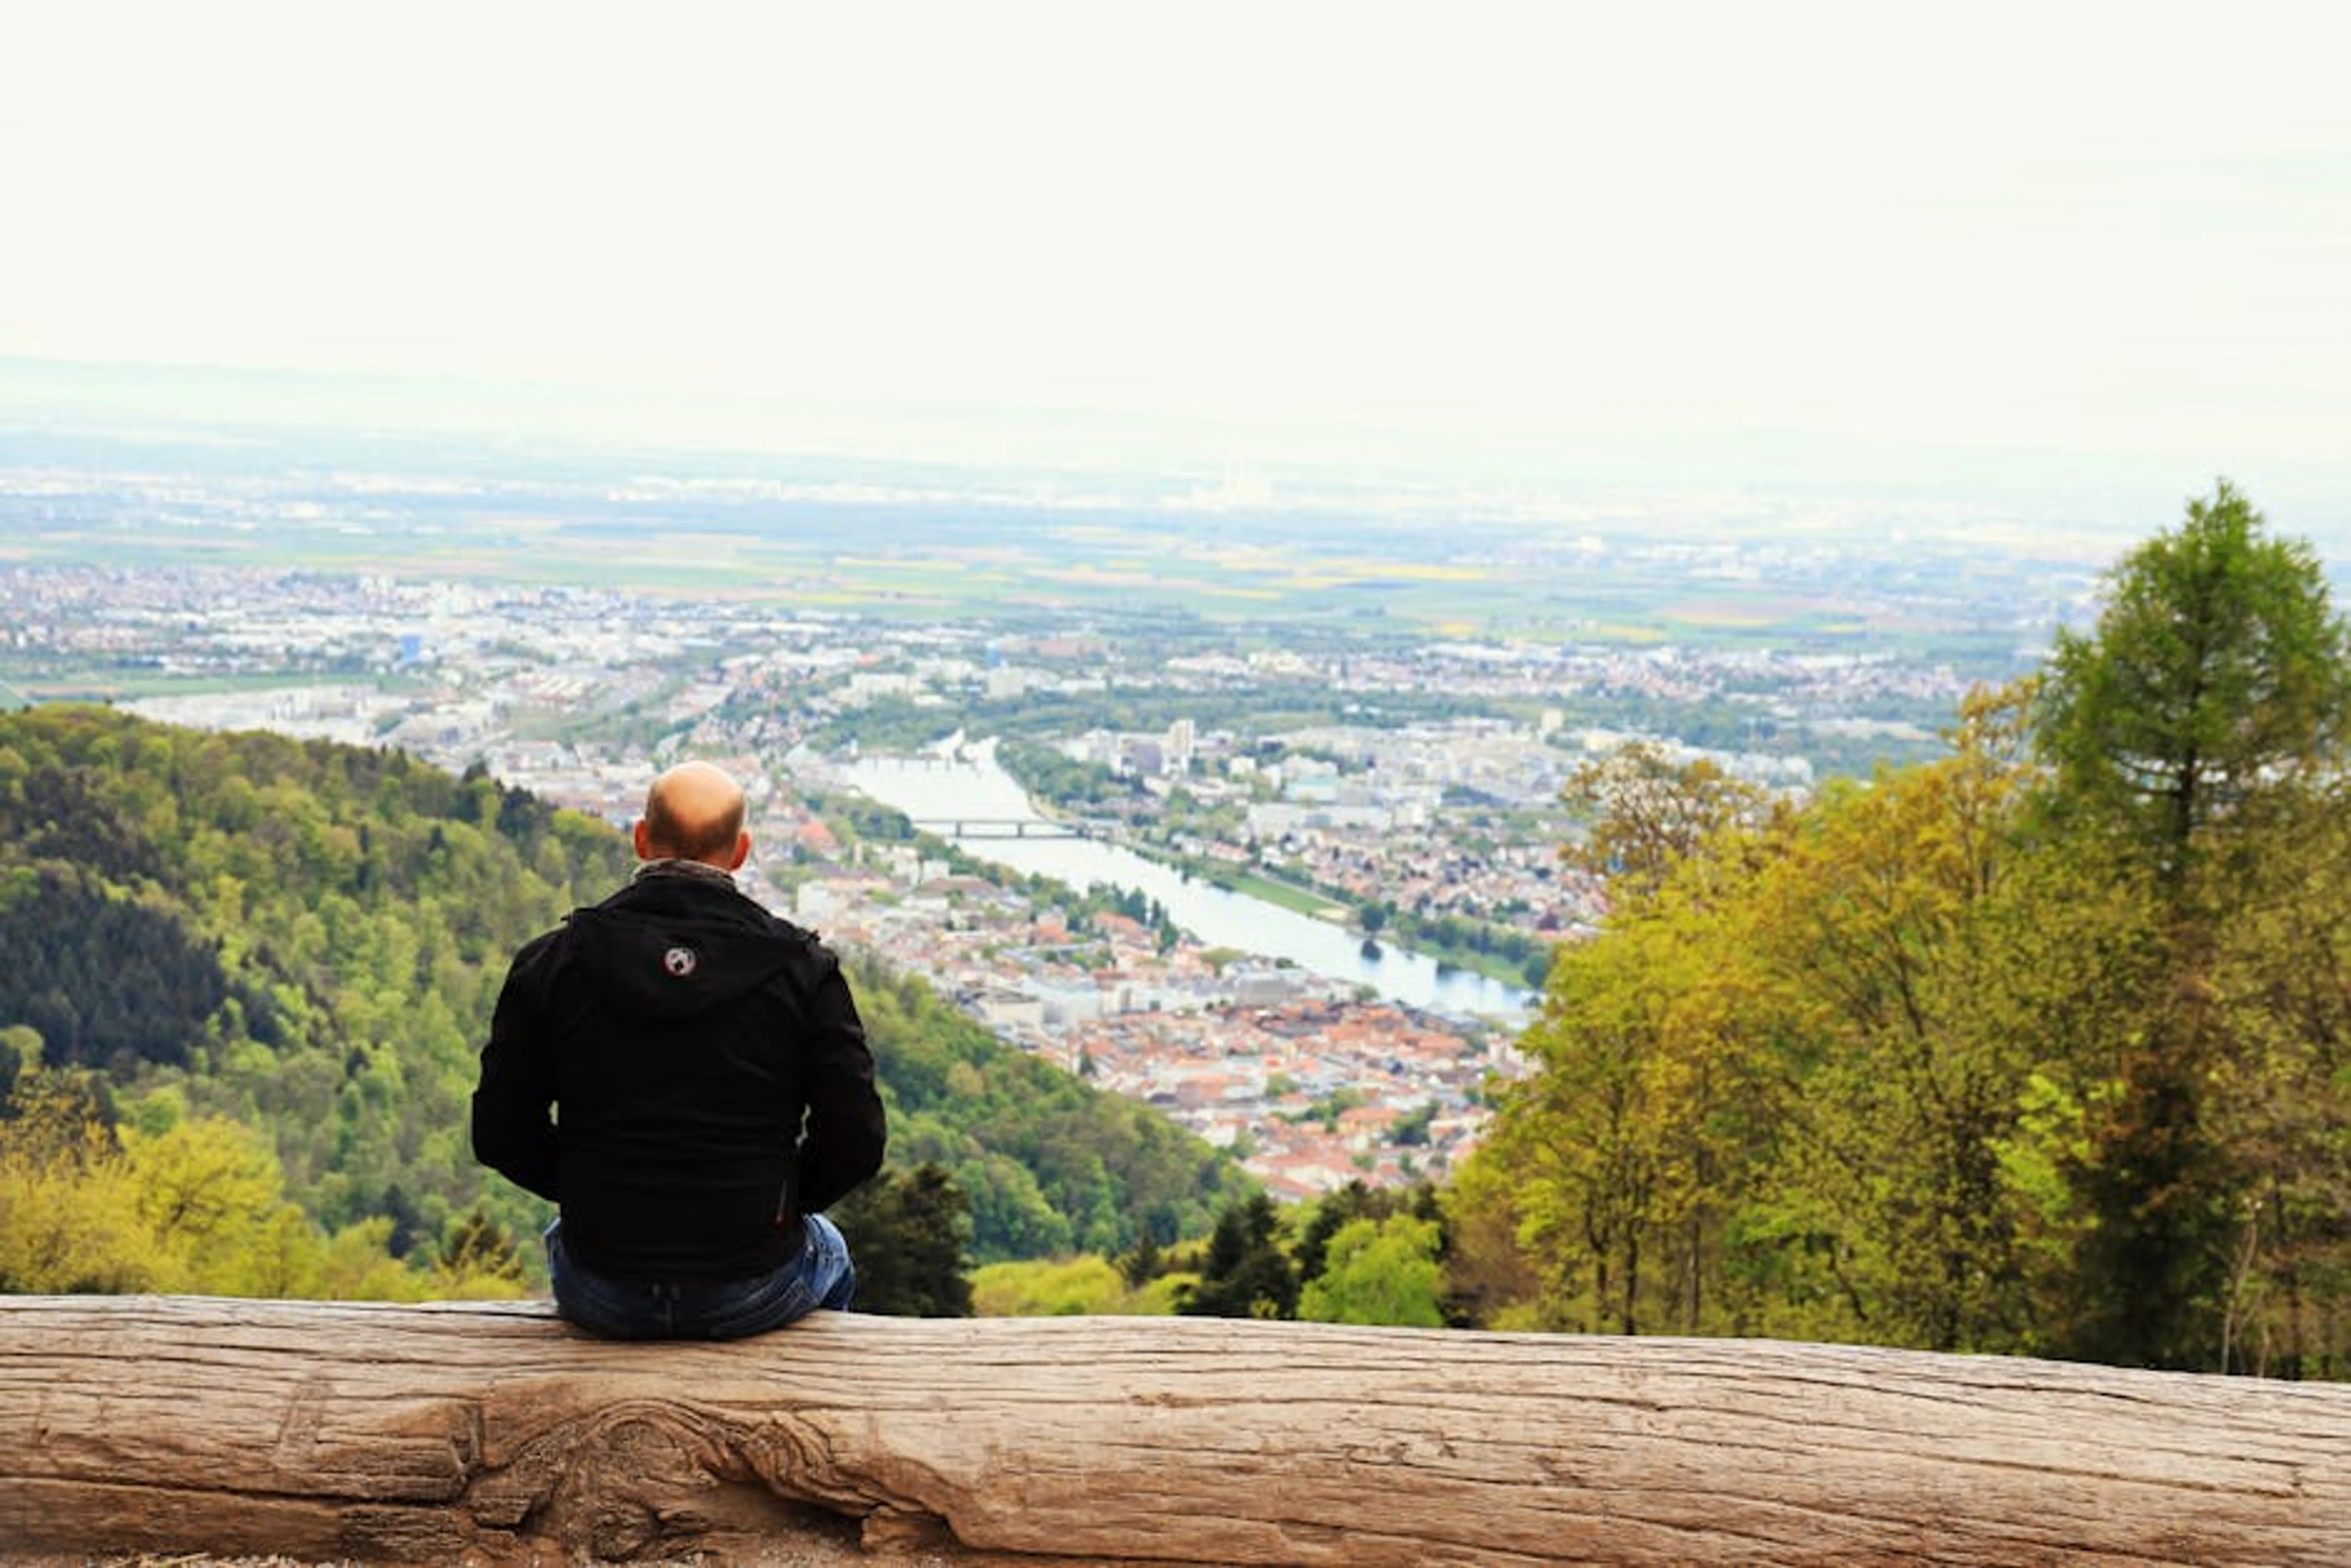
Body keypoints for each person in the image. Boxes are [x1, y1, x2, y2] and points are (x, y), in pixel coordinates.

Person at [473, 760, 885, 1338]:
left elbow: (498, 1131)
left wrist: (585, 1188)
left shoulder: (555, 961)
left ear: (642, 839)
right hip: (752, 1281)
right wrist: (780, 1203)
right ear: (740, 851)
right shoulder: (802, 971)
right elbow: (858, 1139)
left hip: (602, 1282)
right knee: (831, 1251)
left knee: (560, 1236)